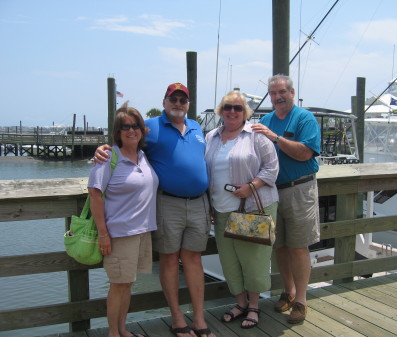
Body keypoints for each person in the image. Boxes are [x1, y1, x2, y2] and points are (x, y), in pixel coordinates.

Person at [94, 83, 216, 337]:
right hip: (167, 203)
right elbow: (123, 143)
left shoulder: (196, 127)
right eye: (173, 98)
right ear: (164, 101)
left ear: (188, 104)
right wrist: (102, 149)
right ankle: (177, 319)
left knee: (194, 260)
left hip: (199, 203)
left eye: (183, 99)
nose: (178, 103)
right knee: (168, 260)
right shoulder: (150, 126)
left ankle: (200, 320)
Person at [204, 90, 279, 329]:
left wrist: (250, 186)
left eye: (238, 108)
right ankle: (240, 303)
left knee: (253, 260)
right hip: (221, 209)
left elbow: (272, 168)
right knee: (229, 261)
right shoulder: (211, 137)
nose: (232, 112)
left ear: (245, 112)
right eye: (228, 107)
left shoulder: (256, 136)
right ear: (221, 110)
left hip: (251, 209)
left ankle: (254, 306)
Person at [251, 74, 321, 324]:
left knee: (298, 246)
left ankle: (301, 300)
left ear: (292, 92)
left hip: (299, 189)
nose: (278, 97)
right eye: (273, 93)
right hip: (271, 192)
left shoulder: (304, 118)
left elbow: (305, 154)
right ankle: (288, 291)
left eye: (282, 92)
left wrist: (276, 137)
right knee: (278, 246)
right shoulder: (266, 119)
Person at [88, 101, 159, 337]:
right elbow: (95, 194)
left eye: (136, 125)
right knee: (118, 286)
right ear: (117, 132)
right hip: (119, 234)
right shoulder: (109, 157)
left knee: (128, 284)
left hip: (141, 232)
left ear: (142, 129)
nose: (131, 130)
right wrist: (103, 234)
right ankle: (113, 333)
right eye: (125, 127)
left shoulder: (142, 155)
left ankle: (122, 330)